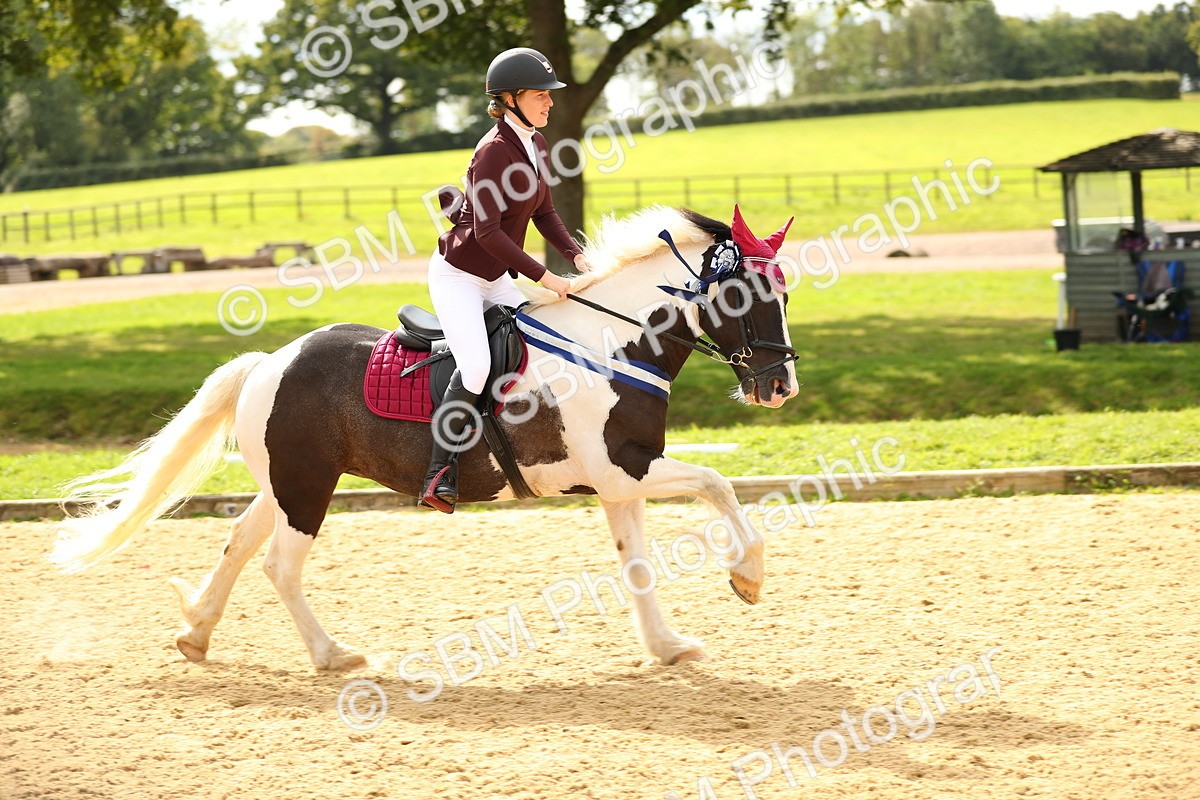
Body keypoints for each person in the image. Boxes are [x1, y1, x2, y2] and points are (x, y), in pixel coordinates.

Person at [420, 47, 590, 514]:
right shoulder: (494, 151)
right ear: (510, 99)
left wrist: (577, 255)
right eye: (540, 95)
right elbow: (486, 232)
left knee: (541, 345)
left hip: (494, 276)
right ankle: (439, 470)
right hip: (459, 277)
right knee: (475, 367)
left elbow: (546, 212)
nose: (549, 103)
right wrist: (544, 276)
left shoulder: (535, 143)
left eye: (549, 96)